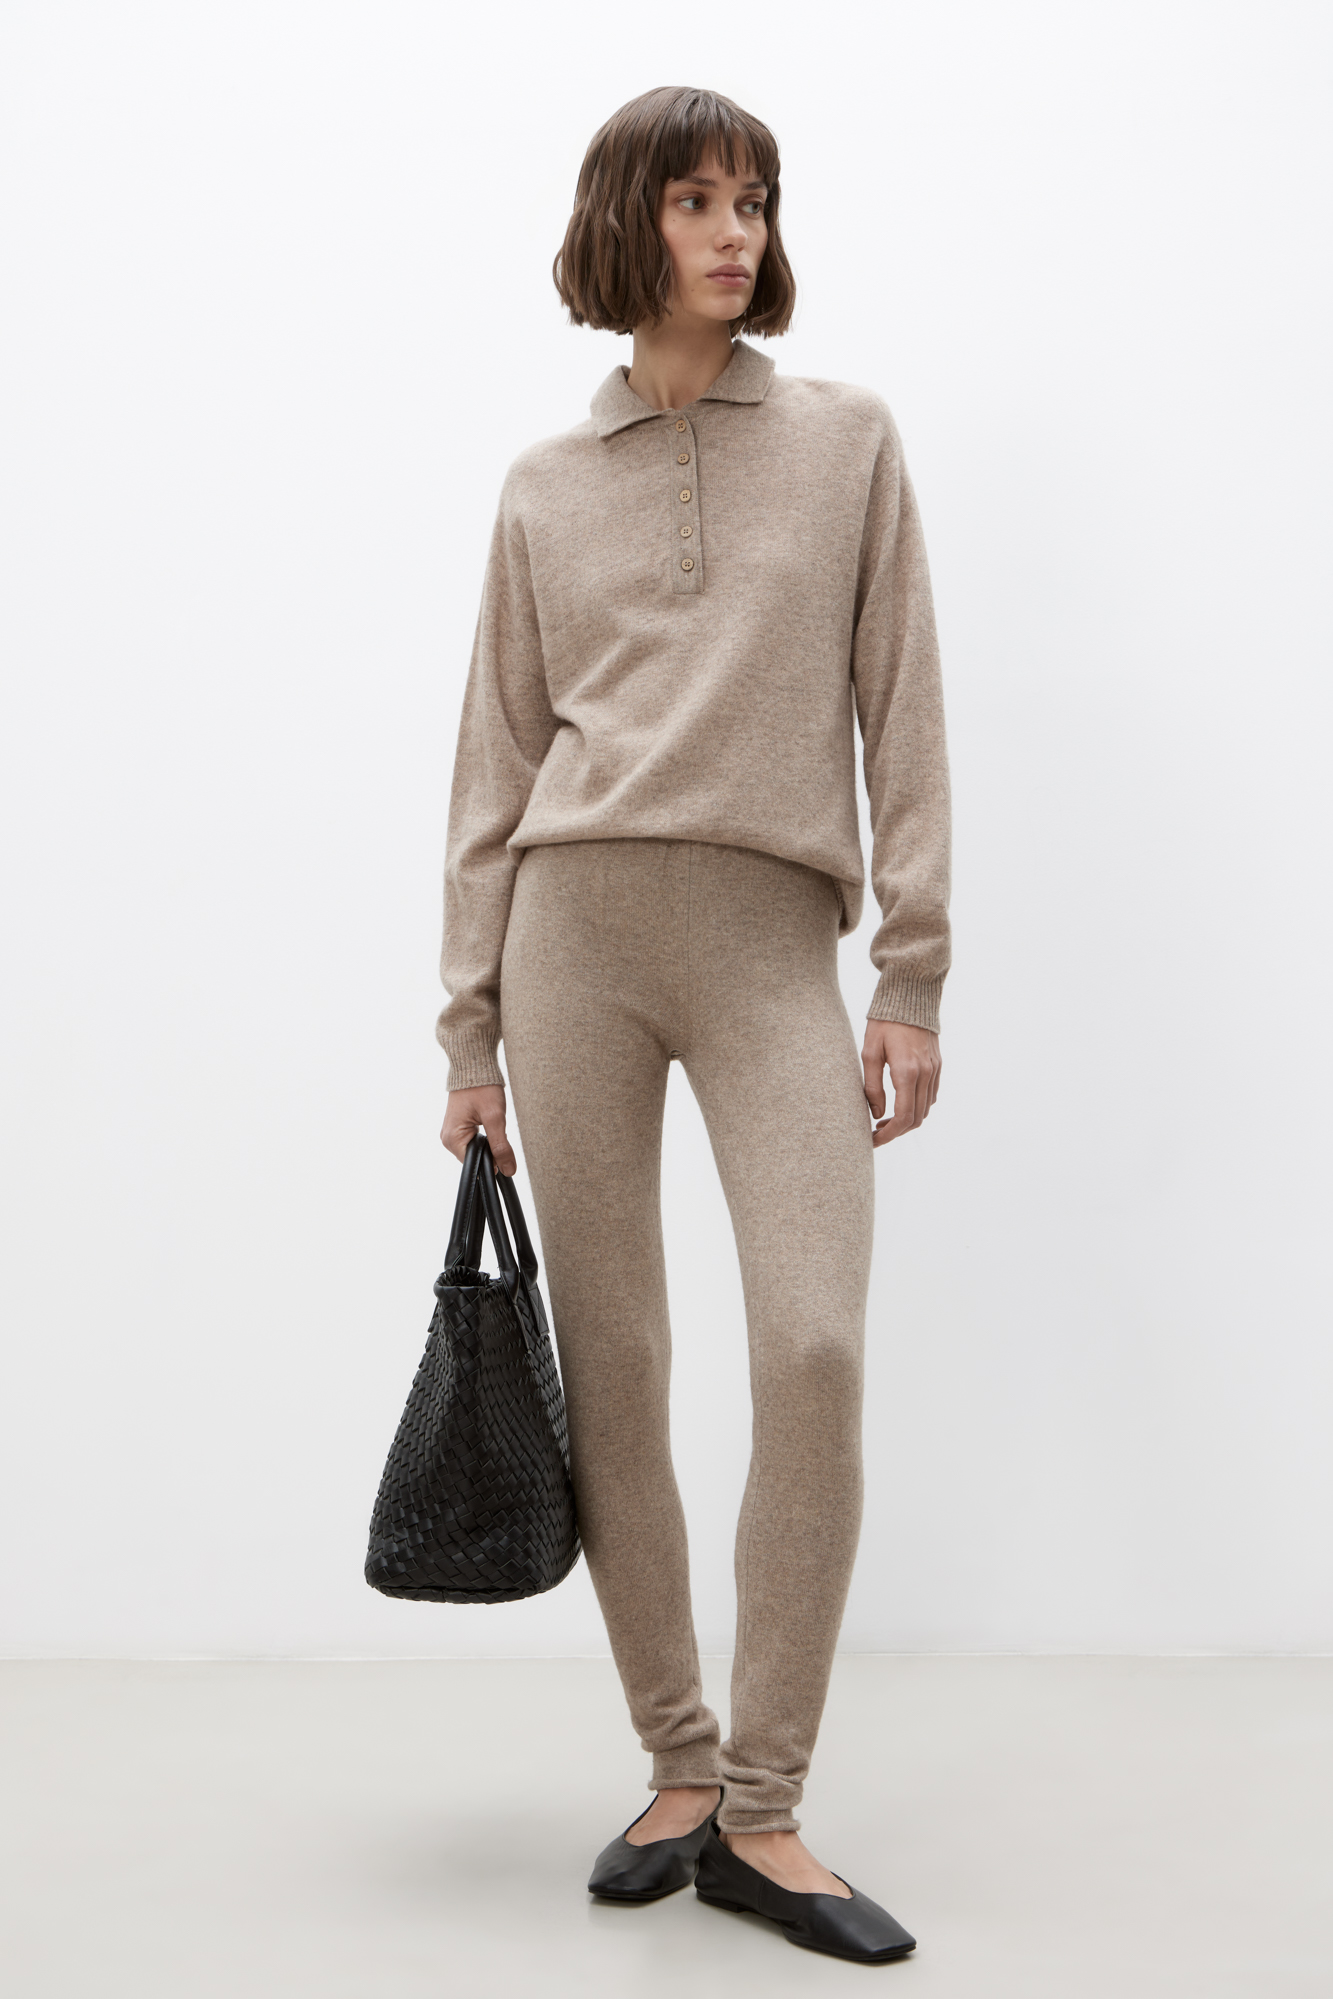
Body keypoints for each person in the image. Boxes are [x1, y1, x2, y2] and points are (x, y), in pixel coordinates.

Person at [437, 85, 949, 1966]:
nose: (736, 233)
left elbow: (902, 711)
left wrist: (910, 975)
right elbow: (493, 768)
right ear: (624, 223)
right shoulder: (540, 487)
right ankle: (673, 1760)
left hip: (764, 944)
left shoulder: (845, 442)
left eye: (755, 201)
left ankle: (764, 1804)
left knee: (810, 1344)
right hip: (571, 939)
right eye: (698, 203)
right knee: (622, 1363)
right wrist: (467, 1033)